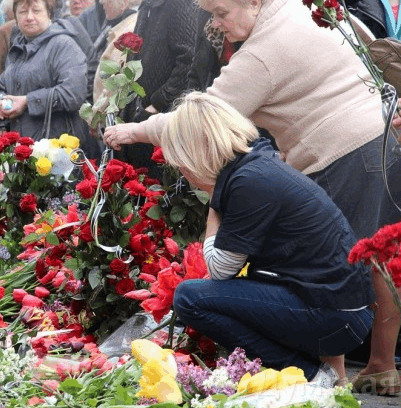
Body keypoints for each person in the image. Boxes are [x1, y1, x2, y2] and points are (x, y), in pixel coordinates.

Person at [104, 0, 401, 395]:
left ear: (254, 2)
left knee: (347, 265)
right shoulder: (298, 10)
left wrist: (135, 132)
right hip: (381, 139)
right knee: (379, 258)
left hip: (341, 152)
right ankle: (379, 365)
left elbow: (203, 118)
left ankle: (333, 380)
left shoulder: (263, 52)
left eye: (221, 12)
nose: (215, 23)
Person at [161, 92, 376, 387]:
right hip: (342, 311)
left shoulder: (247, 182)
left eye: (182, 166)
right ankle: (332, 377)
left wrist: (213, 199)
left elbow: (220, 269)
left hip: (336, 320)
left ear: (196, 152)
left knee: (189, 298)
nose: (184, 175)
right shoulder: (258, 164)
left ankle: (310, 374)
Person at [0, 0, 100, 158]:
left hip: (58, 151)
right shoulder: (18, 46)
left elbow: (73, 93)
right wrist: (0, 106)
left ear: (48, 13)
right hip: (26, 151)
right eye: (22, 12)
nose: (29, 17)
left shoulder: (63, 45)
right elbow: (1, 87)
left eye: (36, 11)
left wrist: (28, 101)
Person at [115, 0, 202, 179]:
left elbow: (189, 59)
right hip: (141, 114)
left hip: (162, 121)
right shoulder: (148, 4)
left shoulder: (179, 4)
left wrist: (157, 103)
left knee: (156, 193)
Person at [91, 0, 137, 103]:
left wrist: (94, 115)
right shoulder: (121, 27)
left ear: (123, 3)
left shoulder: (128, 34)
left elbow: (114, 86)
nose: (101, 2)